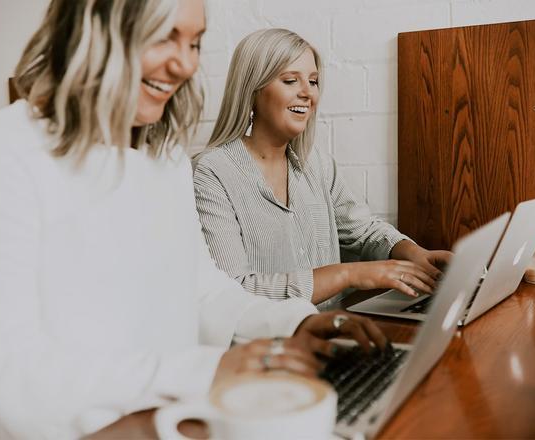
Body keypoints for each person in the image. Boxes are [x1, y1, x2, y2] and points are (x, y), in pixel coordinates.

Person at [0, 2, 386, 438]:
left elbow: (204, 291)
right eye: (164, 36)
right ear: (93, 29)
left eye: (195, 42)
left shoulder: (165, 160)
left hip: (173, 421)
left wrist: (294, 323)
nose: (185, 63)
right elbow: (2, 374)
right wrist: (206, 371)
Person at [193, 28, 452, 306]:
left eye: (313, 81)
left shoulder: (316, 164)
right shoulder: (211, 172)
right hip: (267, 345)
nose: (307, 93)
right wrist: (347, 275)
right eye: (291, 80)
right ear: (252, 89)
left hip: (333, 333)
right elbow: (235, 291)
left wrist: (413, 252)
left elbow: (363, 231)